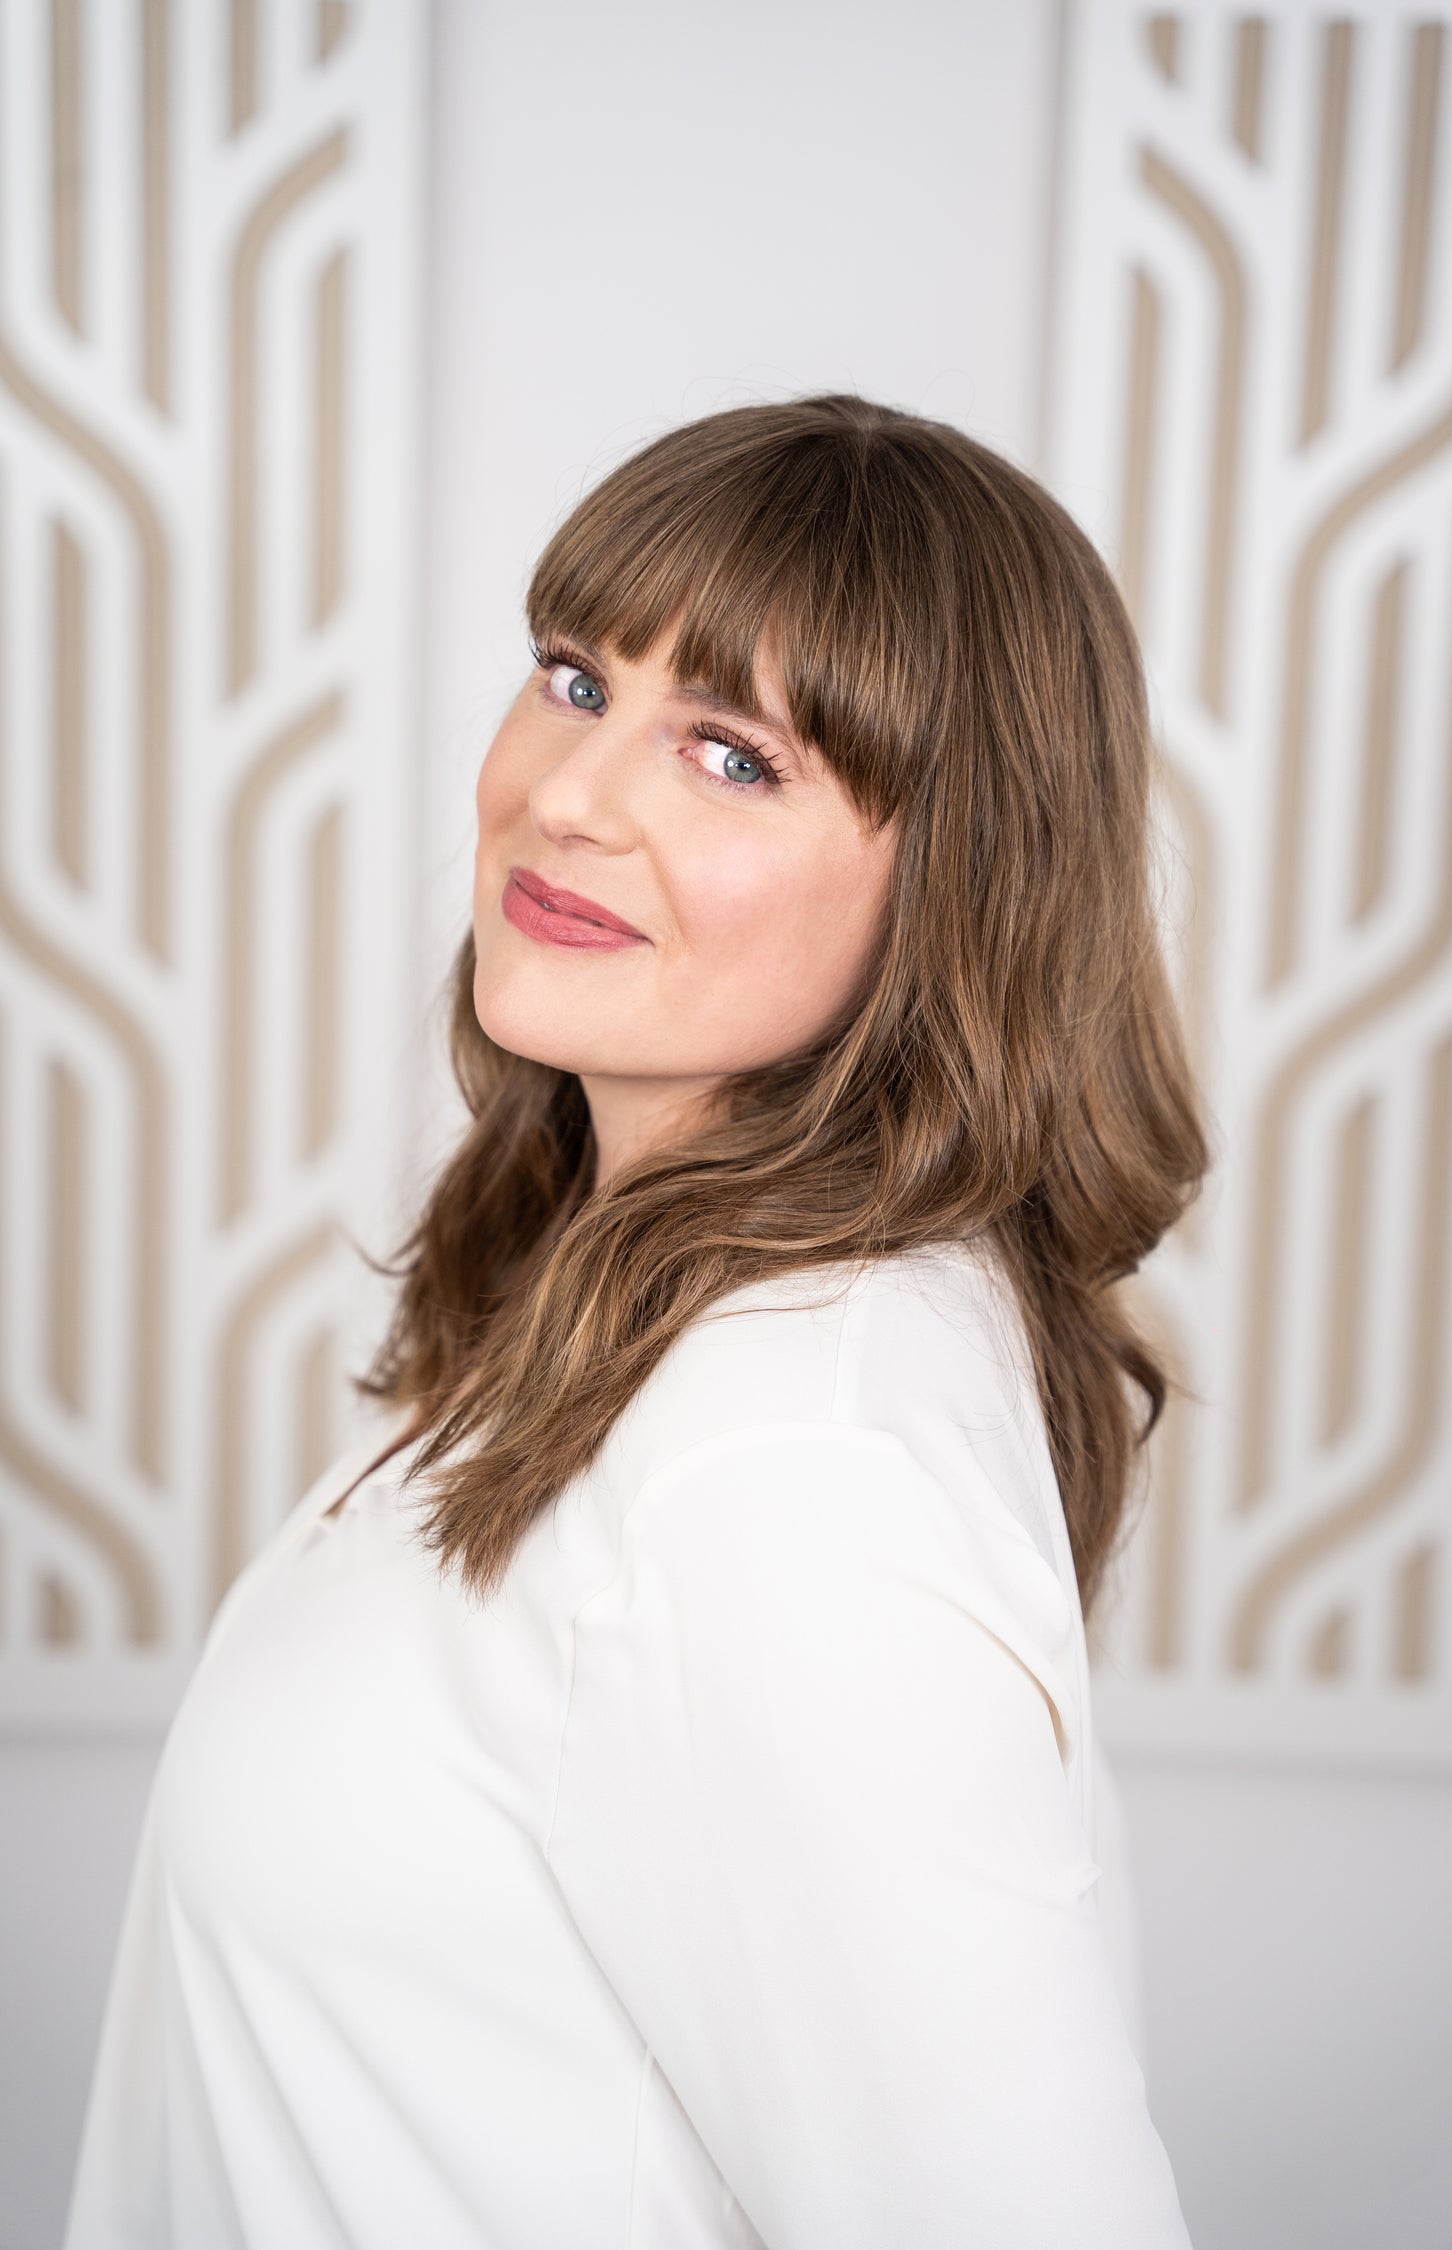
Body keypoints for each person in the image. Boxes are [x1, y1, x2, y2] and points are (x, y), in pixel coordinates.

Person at [66, 394, 1206, 2248]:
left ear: (961, 883)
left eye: (734, 756)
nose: (566, 793)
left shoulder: (785, 1470)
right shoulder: (643, 1303)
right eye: (576, 679)